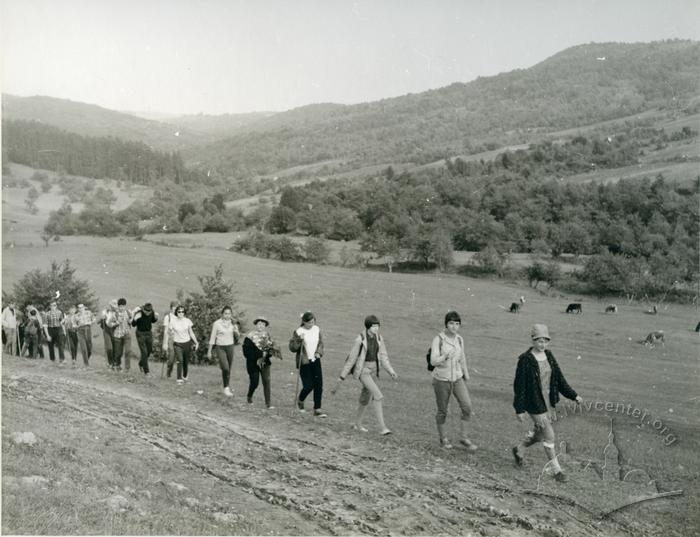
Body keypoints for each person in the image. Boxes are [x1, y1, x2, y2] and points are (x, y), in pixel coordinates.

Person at [512, 324, 583, 483]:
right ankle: (556, 470)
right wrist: (519, 408)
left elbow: (559, 379)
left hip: (548, 402)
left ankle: (519, 449)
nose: (542, 344)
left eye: (545, 340)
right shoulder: (525, 360)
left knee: (540, 434)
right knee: (549, 434)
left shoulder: (549, 356)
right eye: (539, 340)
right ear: (533, 340)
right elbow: (519, 385)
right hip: (534, 403)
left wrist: (574, 395)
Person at [333, 315, 398, 435]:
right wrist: (342, 376)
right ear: (368, 326)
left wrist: (391, 371)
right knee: (378, 395)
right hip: (363, 371)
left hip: (373, 371)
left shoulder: (379, 338)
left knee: (365, 397)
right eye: (373, 326)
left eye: (377, 326)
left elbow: (383, 356)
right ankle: (383, 428)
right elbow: (351, 359)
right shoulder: (360, 339)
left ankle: (357, 424)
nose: (376, 328)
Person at [430, 310, 477, 451]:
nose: (454, 326)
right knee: (443, 411)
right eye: (451, 323)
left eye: (457, 324)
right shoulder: (438, 339)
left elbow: (462, 358)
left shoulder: (459, 339)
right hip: (441, 379)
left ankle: (464, 437)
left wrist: (466, 374)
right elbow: (433, 361)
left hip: (457, 378)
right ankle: (443, 439)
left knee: (467, 406)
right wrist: (444, 356)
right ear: (446, 324)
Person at [289, 311, 327, 417]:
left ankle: (317, 409)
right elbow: (292, 348)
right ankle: (300, 400)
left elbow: (320, 343)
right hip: (304, 361)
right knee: (308, 385)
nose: (311, 324)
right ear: (304, 322)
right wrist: (299, 341)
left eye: (313, 322)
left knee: (319, 385)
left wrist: (319, 352)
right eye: (309, 322)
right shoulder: (298, 331)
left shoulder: (316, 329)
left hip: (315, 359)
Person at [242, 316, 281, 408]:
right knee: (255, 382)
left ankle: (268, 403)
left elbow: (270, 350)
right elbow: (246, 351)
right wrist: (258, 355)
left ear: (265, 326)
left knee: (266, 381)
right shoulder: (250, 336)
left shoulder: (267, 336)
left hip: (265, 362)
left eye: (263, 324)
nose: (261, 326)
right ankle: (249, 396)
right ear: (256, 325)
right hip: (253, 363)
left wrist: (268, 354)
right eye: (259, 324)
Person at [207, 306, 241, 396]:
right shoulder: (217, 323)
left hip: (230, 347)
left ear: (231, 314)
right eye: (225, 313)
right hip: (220, 347)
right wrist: (209, 351)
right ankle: (226, 387)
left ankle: (226, 388)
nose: (227, 315)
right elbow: (212, 338)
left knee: (228, 369)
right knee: (225, 367)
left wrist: (236, 331)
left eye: (229, 313)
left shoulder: (233, 323)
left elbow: (238, 337)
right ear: (222, 314)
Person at [162, 305, 198, 384]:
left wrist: (196, 342)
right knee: (180, 360)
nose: (181, 313)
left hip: (187, 343)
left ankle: (184, 377)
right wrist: (165, 343)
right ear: (176, 312)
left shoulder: (187, 321)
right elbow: (167, 333)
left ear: (184, 312)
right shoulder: (173, 322)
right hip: (177, 343)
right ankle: (179, 379)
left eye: (182, 311)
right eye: (179, 311)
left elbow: (191, 332)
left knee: (185, 361)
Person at [132, 303, 158, 376]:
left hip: (148, 333)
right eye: (146, 311)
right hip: (140, 333)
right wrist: (135, 318)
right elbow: (133, 324)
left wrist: (156, 318)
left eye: (149, 312)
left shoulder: (151, 312)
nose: (147, 313)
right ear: (143, 309)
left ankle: (141, 363)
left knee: (149, 350)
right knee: (144, 352)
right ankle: (147, 372)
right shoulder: (139, 313)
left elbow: (152, 320)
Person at [109, 298, 133, 371]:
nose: (121, 308)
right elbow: (109, 324)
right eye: (120, 306)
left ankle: (127, 368)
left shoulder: (128, 312)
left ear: (125, 306)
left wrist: (130, 321)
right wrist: (116, 322)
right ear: (118, 306)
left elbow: (132, 321)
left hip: (127, 334)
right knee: (118, 353)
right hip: (118, 335)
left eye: (123, 306)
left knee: (128, 351)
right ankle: (118, 365)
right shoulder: (115, 314)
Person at [161, 301, 179, 378]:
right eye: (174, 308)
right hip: (171, 339)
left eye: (176, 308)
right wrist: (165, 343)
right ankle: (169, 371)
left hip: (179, 339)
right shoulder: (168, 317)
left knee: (179, 358)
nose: (175, 310)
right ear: (171, 308)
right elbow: (166, 331)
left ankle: (180, 376)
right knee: (171, 358)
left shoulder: (180, 317)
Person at [99, 300, 118, 369]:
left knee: (115, 348)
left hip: (115, 331)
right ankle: (110, 363)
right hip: (106, 331)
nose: (113, 308)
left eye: (114, 306)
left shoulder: (117, 313)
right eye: (111, 306)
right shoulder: (105, 312)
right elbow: (101, 322)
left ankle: (114, 363)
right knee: (109, 348)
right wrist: (102, 318)